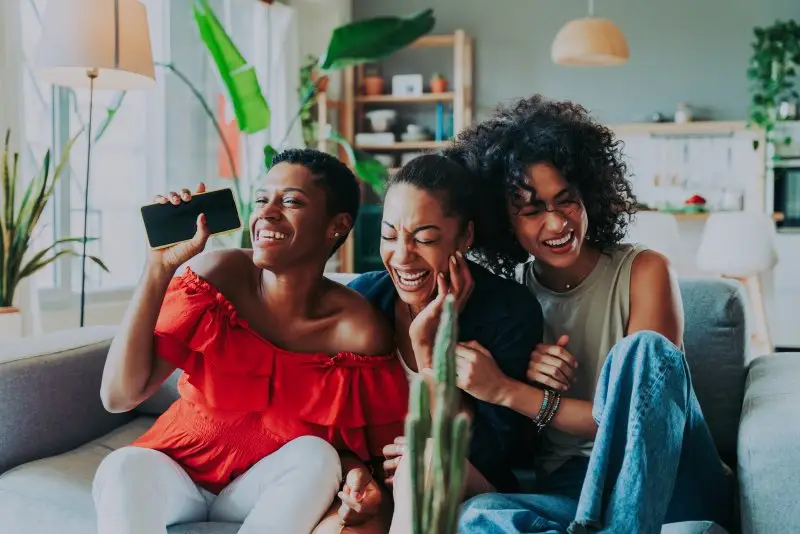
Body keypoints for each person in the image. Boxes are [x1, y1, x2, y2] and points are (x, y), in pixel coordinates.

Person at [447, 95, 735, 534]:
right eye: (532, 210)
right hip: (575, 490)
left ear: (590, 195)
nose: (557, 223)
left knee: (642, 352)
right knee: (479, 515)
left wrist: (508, 391)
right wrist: (519, 375)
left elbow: (638, 416)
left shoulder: (645, 270)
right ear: (504, 222)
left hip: (676, 476)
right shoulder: (509, 302)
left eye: (566, 201)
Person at [93, 148, 409, 534]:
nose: (268, 213)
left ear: (336, 226)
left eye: (291, 201)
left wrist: (360, 482)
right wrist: (157, 270)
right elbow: (118, 397)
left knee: (317, 455)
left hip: (261, 493)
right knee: (122, 465)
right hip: (174, 475)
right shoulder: (217, 275)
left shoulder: (358, 331)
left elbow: (360, 452)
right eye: (262, 199)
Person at [346, 154, 545, 524]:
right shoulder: (363, 301)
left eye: (425, 239)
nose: (402, 256)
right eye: (390, 235)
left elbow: (489, 452)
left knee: (427, 458)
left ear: (464, 236)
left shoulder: (509, 313)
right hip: (376, 490)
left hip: (470, 492)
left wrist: (428, 350)